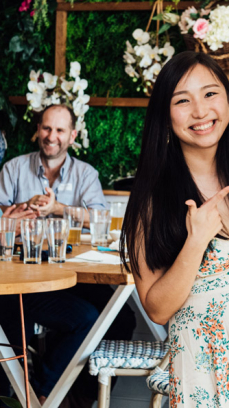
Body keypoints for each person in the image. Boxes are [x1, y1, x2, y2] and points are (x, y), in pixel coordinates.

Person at [122, 51, 229, 408]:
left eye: (210, 94)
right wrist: (195, 242)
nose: (200, 111)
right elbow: (156, 309)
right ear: (165, 115)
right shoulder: (151, 197)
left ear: (227, 100)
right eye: (182, 100)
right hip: (204, 368)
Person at [0, 104, 136, 407]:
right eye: (47, 128)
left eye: (60, 130)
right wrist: (23, 209)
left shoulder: (85, 173)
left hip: (72, 271)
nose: (52, 136)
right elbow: (2, 216)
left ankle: (81, 394)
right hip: (24, 272)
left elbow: (99, 218)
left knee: (121, 318)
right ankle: (45, 386)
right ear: (38, 130)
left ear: (72, 135)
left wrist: (58, 208)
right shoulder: (13, 168)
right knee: (85, 318)